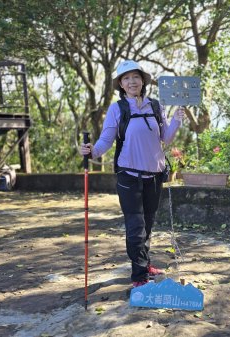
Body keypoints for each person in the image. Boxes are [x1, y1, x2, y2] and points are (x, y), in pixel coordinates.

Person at [79, 60, 186, 287]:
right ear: (121, 84)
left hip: (155, 176)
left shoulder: (156, 106)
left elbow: (165, 139)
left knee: (147, 224)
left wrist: (177, 120)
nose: (131, 82)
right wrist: (91, 152)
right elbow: (106, 140)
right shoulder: (117, 109)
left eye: (135, 77)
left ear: (143, 80)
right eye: (126, 78)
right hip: (129, 175)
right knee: (135, 227)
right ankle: (139, 277)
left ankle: (145, 264)